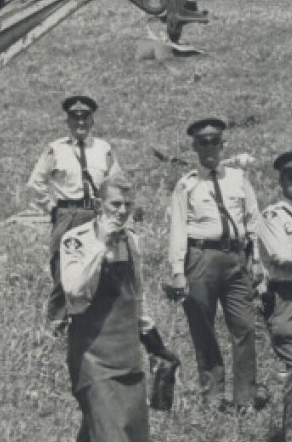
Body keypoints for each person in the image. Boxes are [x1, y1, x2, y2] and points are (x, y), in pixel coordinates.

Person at [61, 174, 177, 442]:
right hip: (93, 359)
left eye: (127, 204)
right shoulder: (75, 239)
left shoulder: (131, 242)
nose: (122, 211)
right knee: (111, 434)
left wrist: (154, 344)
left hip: (127, 358)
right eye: (115, 204)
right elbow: (74, 290)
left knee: (126, 433)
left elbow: (136, 297)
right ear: (99, 204)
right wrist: (101, 246)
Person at [167, 118, 266, 412]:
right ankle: (212, 396)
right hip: (200, 258)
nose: (210, 148)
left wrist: (258, 259)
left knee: (245, 327)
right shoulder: (186, 184)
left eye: (215, 141)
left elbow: (253, 220)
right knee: (203, 328)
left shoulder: (238, 178)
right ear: (194, 146)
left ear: (223, 145)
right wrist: (177, 272)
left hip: (236, 259)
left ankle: (245, 398)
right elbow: (178, 229)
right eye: (203, 142)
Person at [28, 95, 124, 331]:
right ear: (68, 121)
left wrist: (114, 213)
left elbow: (116, 181)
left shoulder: (103, 148)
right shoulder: (56, 149)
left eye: (85, 118)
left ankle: (97, 324)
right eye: (75, 117)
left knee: (102, 266)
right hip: (68, 215)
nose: (80, 123)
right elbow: (36, 182)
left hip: (97, 215)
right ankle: (56, 327)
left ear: (92, 120)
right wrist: (52, 208)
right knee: (64, 271)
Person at [256, 150, 292, 442]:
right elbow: (280, 256)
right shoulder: (272, 216)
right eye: (290, 176)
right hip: (285, 296)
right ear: (280, 179)